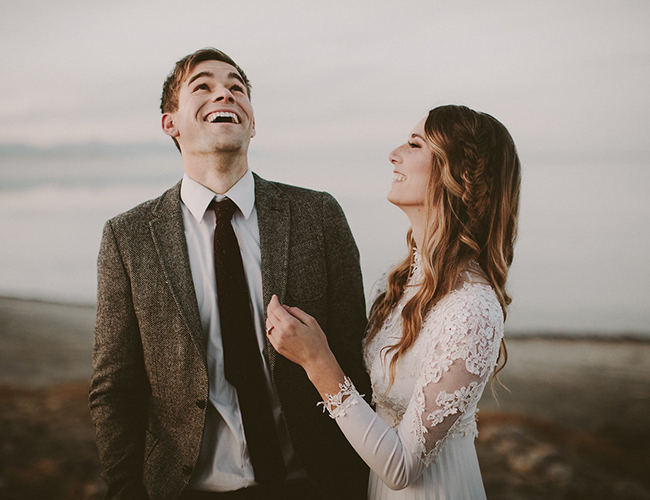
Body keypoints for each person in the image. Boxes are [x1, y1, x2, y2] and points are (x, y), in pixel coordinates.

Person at [88, 47, 371, 500]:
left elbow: (356, 353)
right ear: (171, 123)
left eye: (237, 87)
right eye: (203, 85)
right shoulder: (129, 237)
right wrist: (125, 490)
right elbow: (115, 388)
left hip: (314, 483)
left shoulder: (319, 215)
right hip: (187, 489)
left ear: (252, 122)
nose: (225, 92)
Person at [266, 104, 521, 499]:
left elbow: (402, 467)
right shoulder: (403, 283)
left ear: (455, 173)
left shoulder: (471, 309)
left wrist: (317, 360)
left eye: (415, 144)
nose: (394, 153)